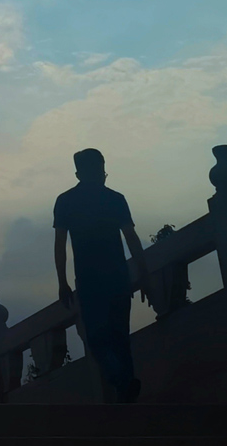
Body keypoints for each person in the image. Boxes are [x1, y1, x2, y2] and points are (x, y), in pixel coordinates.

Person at [53, 148, 152, 403]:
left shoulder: (66, 201)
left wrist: (63, 282)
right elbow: (131, 238)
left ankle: (122, 383)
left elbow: (60, 245)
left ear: (79, 173)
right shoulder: (114, 199)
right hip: (116, 277)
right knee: (119, 338)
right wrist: (144, 273)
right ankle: (125, 386)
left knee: (98, 339)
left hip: (91, 281)